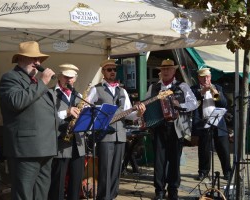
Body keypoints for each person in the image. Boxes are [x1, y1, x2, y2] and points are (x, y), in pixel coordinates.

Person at [0, 41, 57, 200]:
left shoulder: (36, 83)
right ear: (20, 59)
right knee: (23, 194)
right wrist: (43, 83)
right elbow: (16, 102)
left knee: (41, 194)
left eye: (39, 60)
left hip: (46, 147)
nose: (37, 63)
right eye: (33, 59)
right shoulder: (10, 78)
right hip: (26, 149)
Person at [86, 59, 146, 200]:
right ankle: (103, 197)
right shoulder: (96, 89)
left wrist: (139, 113)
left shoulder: (122, 91)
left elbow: (129, 114)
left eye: (114, 69)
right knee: (105, 169)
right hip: (105, 135)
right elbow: (87, 109)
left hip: (120, 134)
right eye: (109, 69)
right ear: (103, 72)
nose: (112, 72)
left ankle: (112, 196)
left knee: (116, 170)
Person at [145, 59, 198, 200]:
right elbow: (145, 104)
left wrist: (179, 105)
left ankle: (173, 190)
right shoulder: (153, 88)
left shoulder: (182, 86)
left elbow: (193, 103)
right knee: (159, 161)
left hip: (176, 128)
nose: (166, 71)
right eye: (164, 69)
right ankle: (159, 191)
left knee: (174, 161)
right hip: (158, 127)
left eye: (169, 69)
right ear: (160, 71)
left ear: (174, 71)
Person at [48, 64, 85, 200]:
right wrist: (67, 112)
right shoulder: (50, 93)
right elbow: (46, 117)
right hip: (60, 144)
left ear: (75, 79)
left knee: (76, 183)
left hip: (78, 144)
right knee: (57, 183)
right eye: (66, 76)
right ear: (59, 76)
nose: (68, 80)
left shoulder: (79, 95)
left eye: (71, 77)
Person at [190, 68, 232, 181]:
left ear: (210, 77)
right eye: (203, 77)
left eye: (207, 77)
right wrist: (202, 92)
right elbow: (193, 103)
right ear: (199, 78)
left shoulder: (218, 87)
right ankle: (203, 172)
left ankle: (227, 172)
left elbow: (224, 104)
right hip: (203, 122)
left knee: (224, 149)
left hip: (219, 122)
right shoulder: (193, 89)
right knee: (204, 150)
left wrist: (214, 92)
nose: (206, 79)